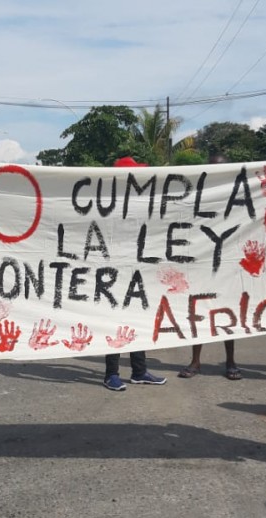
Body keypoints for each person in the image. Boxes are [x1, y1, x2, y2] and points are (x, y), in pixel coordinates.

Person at [103, 156, 167, 391]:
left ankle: (139, 371)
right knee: (114, 323)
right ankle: (111, 374)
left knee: (136, 322)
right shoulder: (107, 205)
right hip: (111, 275)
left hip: (137, 273)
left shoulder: (140, 205)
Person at [178, 153, 241, 381]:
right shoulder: (198, 194)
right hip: (201, 262)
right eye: (212, 167)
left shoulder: (239, 192)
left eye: (220, 168)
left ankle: (231, 360)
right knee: (198, 310)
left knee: (228, 312)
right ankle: (195, 360)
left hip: (227, 262)